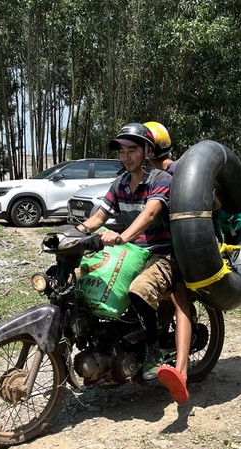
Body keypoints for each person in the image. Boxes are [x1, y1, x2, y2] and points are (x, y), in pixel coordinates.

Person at [76, 122, 189, 404]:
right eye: (122, 152)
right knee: (81, 280)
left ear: (147, 151)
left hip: (161, 254)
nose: (126, 156)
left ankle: (153, 350)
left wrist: (122, 236)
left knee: (139, 290)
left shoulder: (161, 179)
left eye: (132, 150)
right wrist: (73, 233)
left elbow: (150, 214)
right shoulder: (120, 184)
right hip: (128, 254)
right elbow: (98, 217)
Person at [141, 120, 193, 402]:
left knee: (179, 298)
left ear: (150, 149)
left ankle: (181, 372)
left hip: (176, 248)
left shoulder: (176, 172)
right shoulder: (141, 177)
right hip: (147, 249)